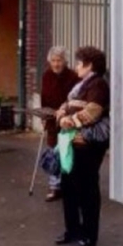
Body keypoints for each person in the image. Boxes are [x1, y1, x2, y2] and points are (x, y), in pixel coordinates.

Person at [55, 46, 110, 246]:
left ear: (89, 66)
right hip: (72, 142)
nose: (76, 66)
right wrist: (61, 113)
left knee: (87, 188)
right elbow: (67, 103)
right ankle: (72, 231)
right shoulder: (82, 85)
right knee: (68, 185)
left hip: (88, 144)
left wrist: (69, 120)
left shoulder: (99, 85)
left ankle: (88, 235)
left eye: (79, 63)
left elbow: (93, 111)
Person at [40, 46, 79, 201]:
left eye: (59, 60)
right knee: (53, 152)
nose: (56, 64)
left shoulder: (73, 76)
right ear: (50, 61)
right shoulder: (46, 76)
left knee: (68, 151)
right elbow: (44, 96)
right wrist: (44, 115)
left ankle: (69, 185)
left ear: (65, 61)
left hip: (68, 119)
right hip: (51, 119)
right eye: (54, 61)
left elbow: (75, 99)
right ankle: (55, 186)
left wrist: (65, 111)